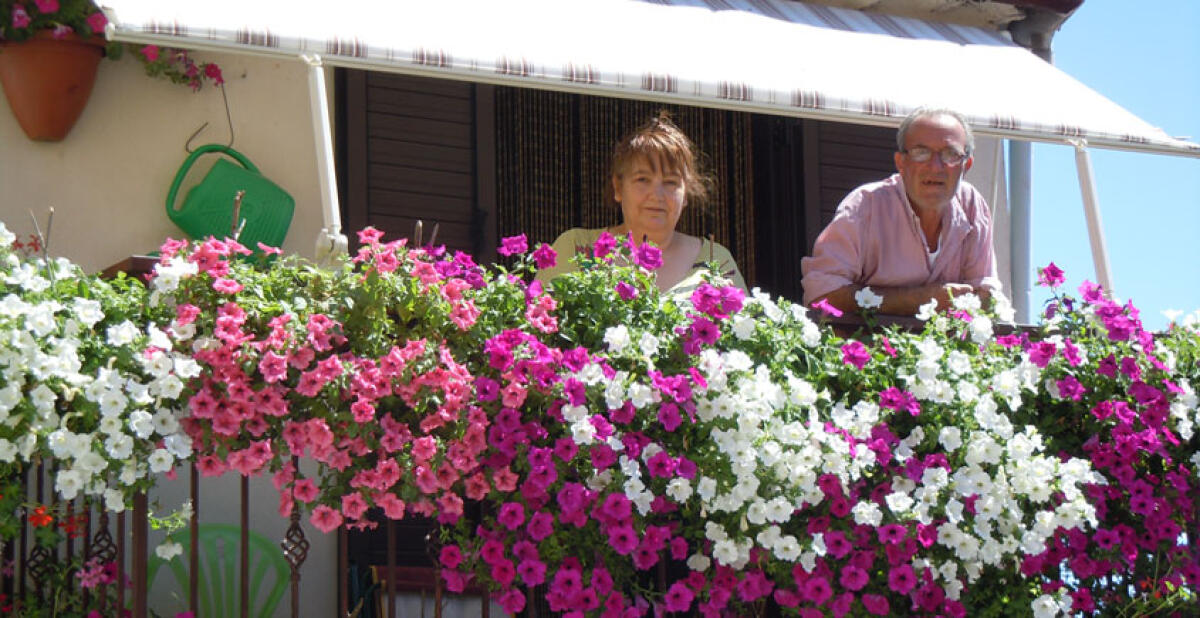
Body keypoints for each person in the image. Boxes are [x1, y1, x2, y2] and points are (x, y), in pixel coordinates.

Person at [800, 107, 1000, 315]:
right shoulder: (865, 206)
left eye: (950, 154)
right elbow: (822, 296)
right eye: (921, 153)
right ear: (901, 163)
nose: (935, 166)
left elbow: (986, 295)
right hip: (868, 346)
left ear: (966, 165)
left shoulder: (972, 206)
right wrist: (918, 300)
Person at [537, 113, 746, 296]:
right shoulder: (576, 249)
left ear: (687, 195)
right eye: (642, 179)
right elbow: (537, 330)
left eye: (671, 182)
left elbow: (746, 335)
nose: (657, 195)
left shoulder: (716, 260)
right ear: (618, 188)